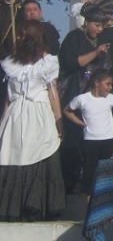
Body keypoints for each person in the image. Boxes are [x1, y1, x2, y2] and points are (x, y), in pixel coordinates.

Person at [56, 5, 113, 194]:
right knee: (73, 140)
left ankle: (98, 185)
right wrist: (95, 53)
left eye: (102, 26)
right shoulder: (74, 38)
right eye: (96, 25)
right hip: (77, 92)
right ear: (86, 22)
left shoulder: (102, 39)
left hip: (98, 96)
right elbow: (70, 63)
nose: (99, 30)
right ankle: (70, 182)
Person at [0, 20, 65, 221]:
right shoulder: (12, 63)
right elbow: (9, 97)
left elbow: (53, 93)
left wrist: (59, 121)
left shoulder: (47, 63)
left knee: (39, 151)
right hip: (17, 115)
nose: (18, 38)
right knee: (14, 154)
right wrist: (2, 121)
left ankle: (35, 205)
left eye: (22, 35)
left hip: (39, 114)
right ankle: (12, 207)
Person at [63, 69, 113, 200]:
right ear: (97, 83)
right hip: (90, 140)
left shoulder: (111, 99)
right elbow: (67, 110)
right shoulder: (82, 99)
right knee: (90, 170)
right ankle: (89, 200)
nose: (110, 88)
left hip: (108, 139)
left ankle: (107, 197)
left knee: (107, 168)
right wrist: (79, 122)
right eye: (107, 84)